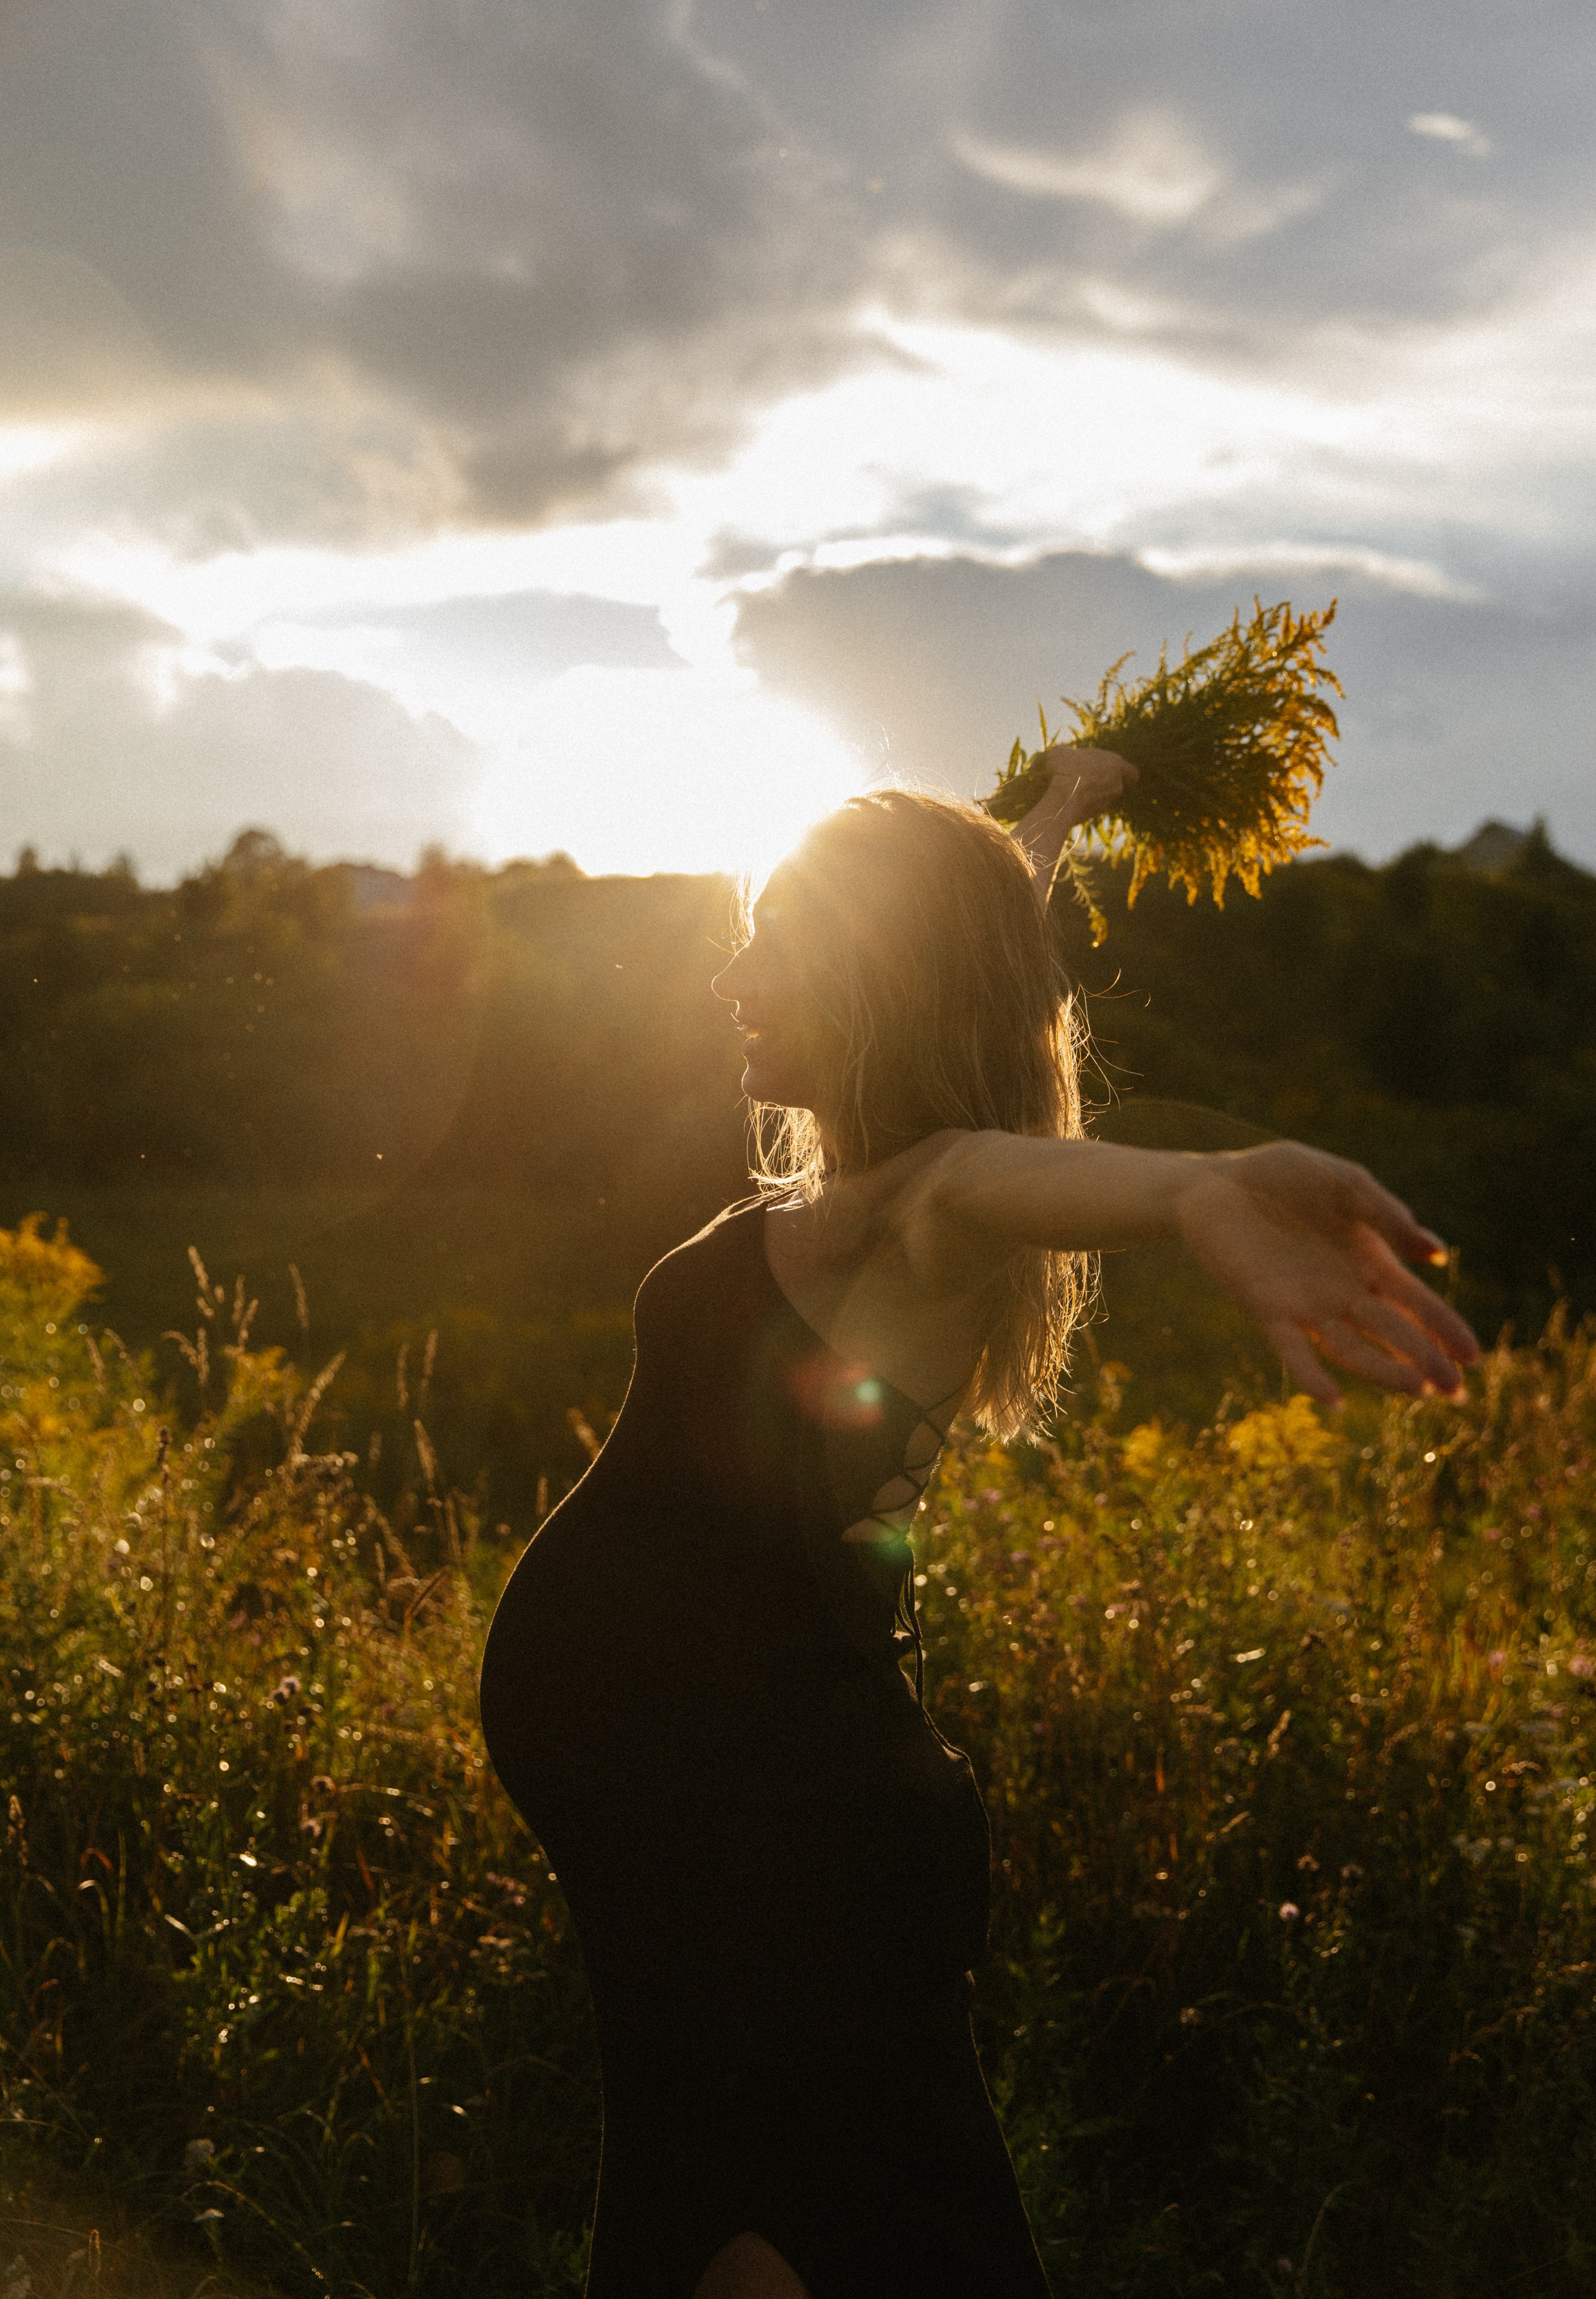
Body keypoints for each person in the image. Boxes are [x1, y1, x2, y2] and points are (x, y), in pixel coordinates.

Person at [479, 749, 1478, 2299]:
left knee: (826, 2226)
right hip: (710, 1840)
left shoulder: (917, 1209)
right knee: (736, 2217)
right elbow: (964, 952)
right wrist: (1046, 831)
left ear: (881, 985)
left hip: (780, 1848)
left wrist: (1201, 1191)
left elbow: (997, 1168)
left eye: (780, 948)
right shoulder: (866, 1186)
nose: (735, 977)